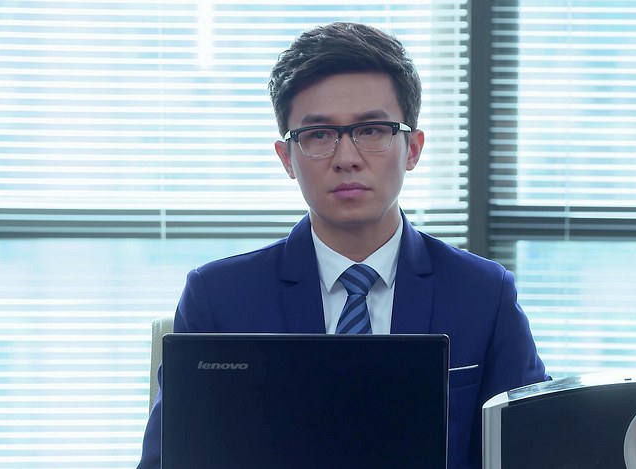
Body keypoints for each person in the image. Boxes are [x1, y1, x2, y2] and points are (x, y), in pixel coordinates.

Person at [137, 21, 549, 469]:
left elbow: (534, 454)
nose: (346, 157)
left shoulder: (483, 294)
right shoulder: (218, 298)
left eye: (371, 130)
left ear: (412, 149)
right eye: (318, 135)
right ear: (287, 158)